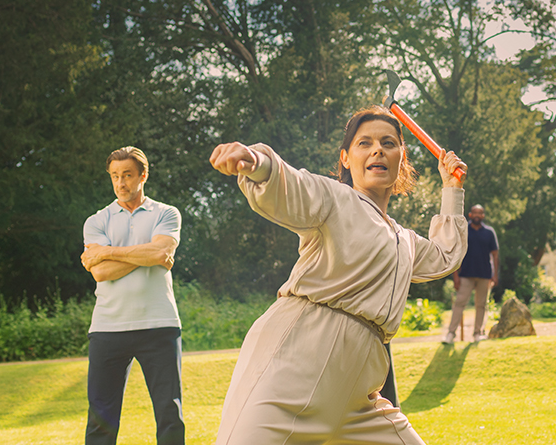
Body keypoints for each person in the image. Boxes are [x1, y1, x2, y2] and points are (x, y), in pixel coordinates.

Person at [209, 105, 468, 445]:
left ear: (401, 158)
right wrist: (256, 162)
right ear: (346, 158)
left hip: (359, 398)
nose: (378, 149)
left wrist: (451, 188)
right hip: (293, 368)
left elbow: (445, 256)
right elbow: (292, 186)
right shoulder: (334, 200)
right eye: (365, 143)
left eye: (388, 143)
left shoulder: (402, 238)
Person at [81, 146, 185, 445]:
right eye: (115, 176)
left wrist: (108, 252)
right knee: (101, 416)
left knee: (169, 413)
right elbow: (100, 273)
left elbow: (161, 251)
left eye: (127, 175)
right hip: (108, 327)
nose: (120, 183)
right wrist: (148, 254)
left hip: (160, 324)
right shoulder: (97, 221)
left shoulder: (166, 213)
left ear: (143, 175)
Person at [443, 204, 499, 344]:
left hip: (484, 275)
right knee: (459, 303)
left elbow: (495, 255)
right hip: (465, 275)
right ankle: (450, 334)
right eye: (475, 212)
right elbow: (456, 253)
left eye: (480, 213)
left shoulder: (489, 232)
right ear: (470, 215)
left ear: (483, 216)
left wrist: (495, 274)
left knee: (481, 305)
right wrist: (455, 276)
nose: (477, 215)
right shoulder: (463, 230)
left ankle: (477, 334)